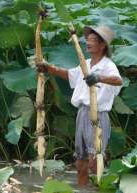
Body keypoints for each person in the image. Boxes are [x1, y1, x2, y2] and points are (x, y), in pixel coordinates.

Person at [37, 25, 122, 186]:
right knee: (80, 162)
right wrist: (49, 68)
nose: (88, 43)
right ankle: (83, 190)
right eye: (88, 39)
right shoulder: (86, 63)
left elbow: (118, 81)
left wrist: (98, 77)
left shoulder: (108, 65)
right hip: (82, 113)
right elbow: (70, 75)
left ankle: (99, 188)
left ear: (103, 45)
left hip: (97, 115)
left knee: (94, 160)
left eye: (93, 40)